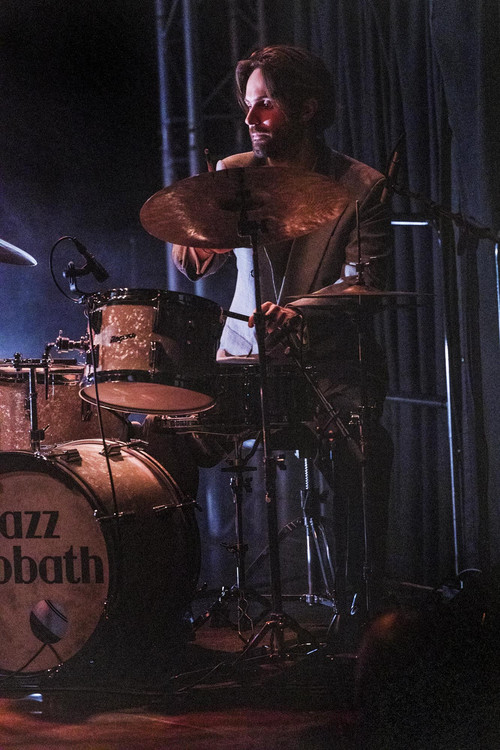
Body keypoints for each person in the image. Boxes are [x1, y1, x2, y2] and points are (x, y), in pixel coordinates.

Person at [172, 45, 393, 631]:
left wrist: (300, 314)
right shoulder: (236, 173)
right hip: (242, 362)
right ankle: (167, 605)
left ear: (308, 108)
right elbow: (191, 265)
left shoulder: (362, 187)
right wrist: (195, 219)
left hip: (325, 370)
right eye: (248, 104)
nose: (250, 118)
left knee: (366, 449)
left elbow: (367, 282)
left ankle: (359, 611)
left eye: (265, 103)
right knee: (165, 442)